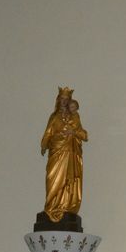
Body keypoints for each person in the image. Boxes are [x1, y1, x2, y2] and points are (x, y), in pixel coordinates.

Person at [41, 88, 88, 222]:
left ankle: (65, 205)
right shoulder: (54, 117)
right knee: (52, 177)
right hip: (56, 151)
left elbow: (83, 134)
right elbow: (48, 133)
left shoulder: (74, 117)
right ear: (58, 100)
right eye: (62, 99)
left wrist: (73, 132)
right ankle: (51, 205)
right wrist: (44, 144)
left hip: (70, 153)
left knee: (68, 180)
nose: (64, 102)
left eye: (66, 100)